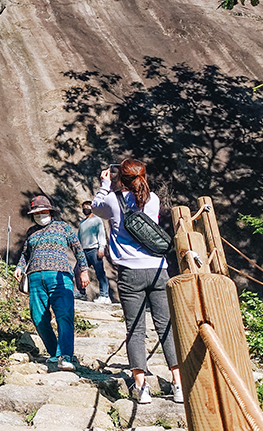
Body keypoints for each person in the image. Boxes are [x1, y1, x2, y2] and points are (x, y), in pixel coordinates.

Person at [90, 160, 183, 404]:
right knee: (166, 327)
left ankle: (141, 388)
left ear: (121, 177)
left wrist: (105, 183)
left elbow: (95, 207)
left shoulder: (113, 199)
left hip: (130, 273)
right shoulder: (153, 200)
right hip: (158, 270)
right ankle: (178, 384)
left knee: (136, 329)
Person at [13, 195, 89, 371]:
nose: (40, 215)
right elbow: (25, 254)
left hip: (60, 277)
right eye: (36, 213)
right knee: (38, 318)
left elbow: (78, 249)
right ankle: (55, 353)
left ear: (50, 211)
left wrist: (83, 270)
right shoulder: (31, 232)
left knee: (64, 315)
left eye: (43, 211)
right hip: (35, 278)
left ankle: (66, 356)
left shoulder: (63, 227)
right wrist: (19, 267)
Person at [77, 201, 112, 304]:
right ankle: (82, 293)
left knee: (100, 272)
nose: (85, 208)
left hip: (94, 250)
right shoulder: (82, 223)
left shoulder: (97, 220)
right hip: (83, 251)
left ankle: (105, 295)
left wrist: (101, 248)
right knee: (79, 271)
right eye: (84, 207)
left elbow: (101, 234)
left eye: (87, 206)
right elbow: (79, 237)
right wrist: (78, 250)